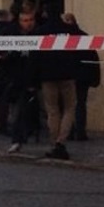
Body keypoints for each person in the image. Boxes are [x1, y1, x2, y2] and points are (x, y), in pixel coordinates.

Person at [35, 12, 79, 160]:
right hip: (67, 75)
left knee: (52, 110)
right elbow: (82, 42)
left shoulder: (41, 31)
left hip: (47, 76)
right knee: (70, 107)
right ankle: (61, 141)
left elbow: (35, 56)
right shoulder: (69, 30)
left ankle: (54, 143)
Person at [1, 6, 40, 154]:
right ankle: (17, 139)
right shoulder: (10, 33)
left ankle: (28, 134)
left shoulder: (38, 34)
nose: (28, 23)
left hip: (33, 77)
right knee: (16, 111)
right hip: (15, 78)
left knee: (31, 110)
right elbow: (2, 56)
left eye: (30, 20)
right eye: (24, 20)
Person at [62, 13, 101, 141]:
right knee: (80, 104)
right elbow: (93, 57)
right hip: (83, 77)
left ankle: (69, 132)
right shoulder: (83, 36)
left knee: (68, 105)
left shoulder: (62, 38)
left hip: (69, 76)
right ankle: (80, 132)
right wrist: (94, 77)